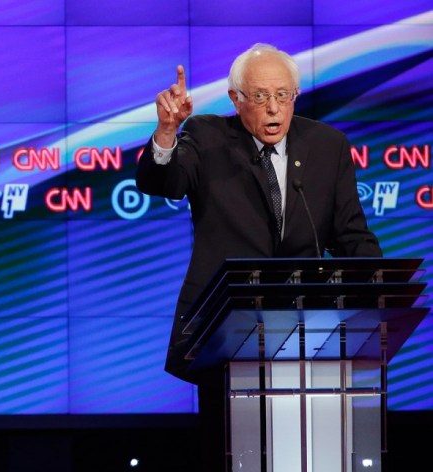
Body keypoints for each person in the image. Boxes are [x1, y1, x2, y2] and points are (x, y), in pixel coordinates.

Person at [135, 43, 382, 471]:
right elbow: (165, 182)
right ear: (236, 99)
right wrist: (167, 135)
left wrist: (379, 292)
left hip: (312, 332)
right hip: (227, 332)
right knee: (234, 454)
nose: (274, 109)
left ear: (296, 97)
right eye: (261, 96)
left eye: (283, 96)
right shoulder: (207, 136)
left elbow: (350, 235)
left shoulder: (328, 145)